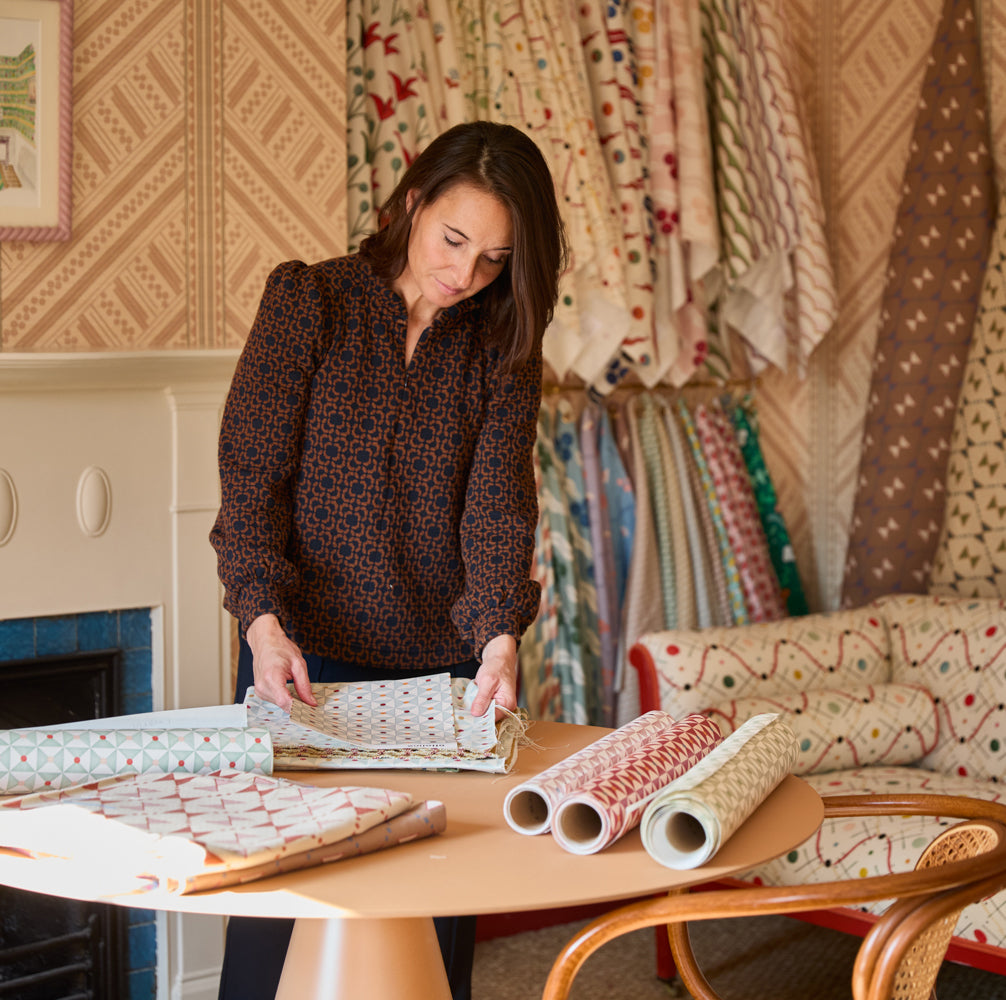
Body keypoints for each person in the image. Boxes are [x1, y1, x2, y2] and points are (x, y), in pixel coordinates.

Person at [209, 120, 568, 1000]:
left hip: (441, 678)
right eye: (454, 239)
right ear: (413, 202)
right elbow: (252, 479)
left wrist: (498, 639)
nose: (466, 273)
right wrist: (261, 623)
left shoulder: (501, 346)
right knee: (279, 912)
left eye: (494, 259)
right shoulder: (310, 302)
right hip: (301, 661)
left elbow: (497, 506)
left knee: (426, 933)